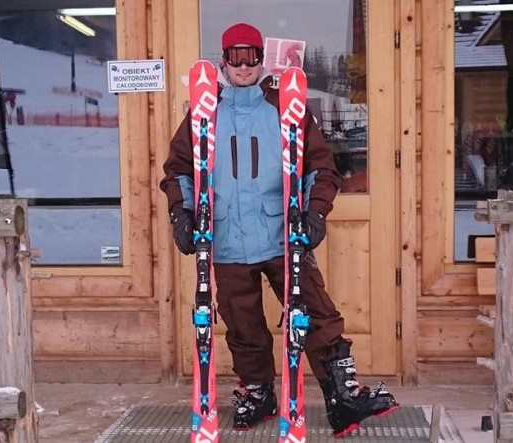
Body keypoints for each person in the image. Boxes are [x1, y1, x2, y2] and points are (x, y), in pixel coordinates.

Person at [160, 22, 398, 437]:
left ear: (261, 60)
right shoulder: (203, 112)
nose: (244, 66)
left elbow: (321, 168)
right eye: (235, 57)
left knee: (315, 314)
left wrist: (315, 213)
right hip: (227, 239)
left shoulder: (286, 108)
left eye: (251, 56)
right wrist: (182, 215)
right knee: (242, 322)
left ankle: (343, 395)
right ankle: (259, 392)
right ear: (223, 62)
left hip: (282, 235)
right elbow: (179, 170)